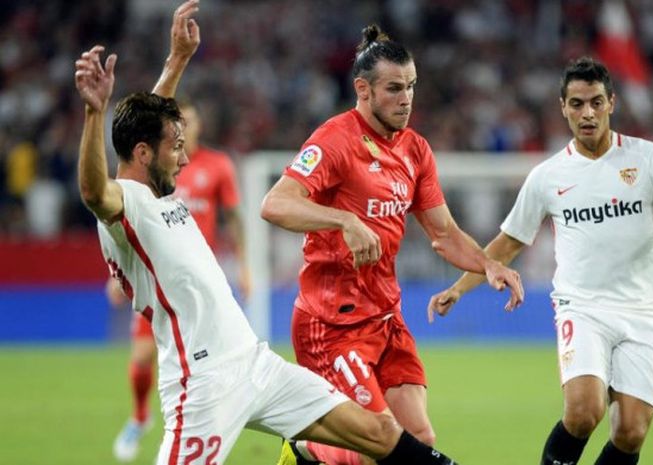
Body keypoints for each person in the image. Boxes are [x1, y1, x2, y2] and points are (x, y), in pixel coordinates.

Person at [74, 2, 461, 465]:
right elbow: (94, 190)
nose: (183, 158)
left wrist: (176, 61)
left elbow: (146, 126)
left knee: (380, 432)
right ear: (143, 154)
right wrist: (95, 115)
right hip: (203, 383)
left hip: (254, 363)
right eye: (174, 149)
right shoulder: (125, 205)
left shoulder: (155, 189)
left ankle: (303, 454)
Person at [261, 24, 524, 465]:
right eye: (394, 89)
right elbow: (275, 204)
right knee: (377, 445)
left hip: (385, 318)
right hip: (331, 324)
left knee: (418, 434)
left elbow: (444, 234)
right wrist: (344, 219)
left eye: (412, 87)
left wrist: (487, 264)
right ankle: (304, 448)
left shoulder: (415, 150)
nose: (406, 99)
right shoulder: (335, 140)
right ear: (363, 89)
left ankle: (309, 448)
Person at [427, 57, 653, 465]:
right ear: (562, 107)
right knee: (583, 411)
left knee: (630, 432)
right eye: (576, 104)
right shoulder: (548, 176)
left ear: (611, 103)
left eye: (594, 102)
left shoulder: (649, 158)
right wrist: (458, 287)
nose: (586, 113)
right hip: (583, 307)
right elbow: (506, 245)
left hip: (643, 309)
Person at [111, 97, 251, 461]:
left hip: (199, 285)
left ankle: (207, 430)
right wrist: (118, 273)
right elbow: (124, 218)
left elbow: (235, 219)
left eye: (189, 121)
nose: (183, 131)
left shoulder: (218, 166)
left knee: (210, 363)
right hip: (157, 279)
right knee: (142, 357)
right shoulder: (156, 170)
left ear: (198, 126)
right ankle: (140, 416)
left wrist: (246, 266)